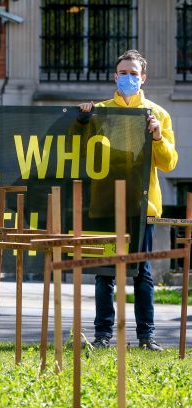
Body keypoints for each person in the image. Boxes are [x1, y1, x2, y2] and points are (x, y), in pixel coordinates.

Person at [79, 49, 178, 351]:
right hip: (104, 204)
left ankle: (146, 337)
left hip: (141, 206)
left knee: (141, 273)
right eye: (123, 73)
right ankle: (102, 336)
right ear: (115, 76)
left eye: (133, 74)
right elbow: (78, 149)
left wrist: (158, 137)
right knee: (104, 272)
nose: (128, 78)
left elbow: (169, 163)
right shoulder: (99, 111)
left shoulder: (158, 114)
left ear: (143, 78)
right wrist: (81, 119)